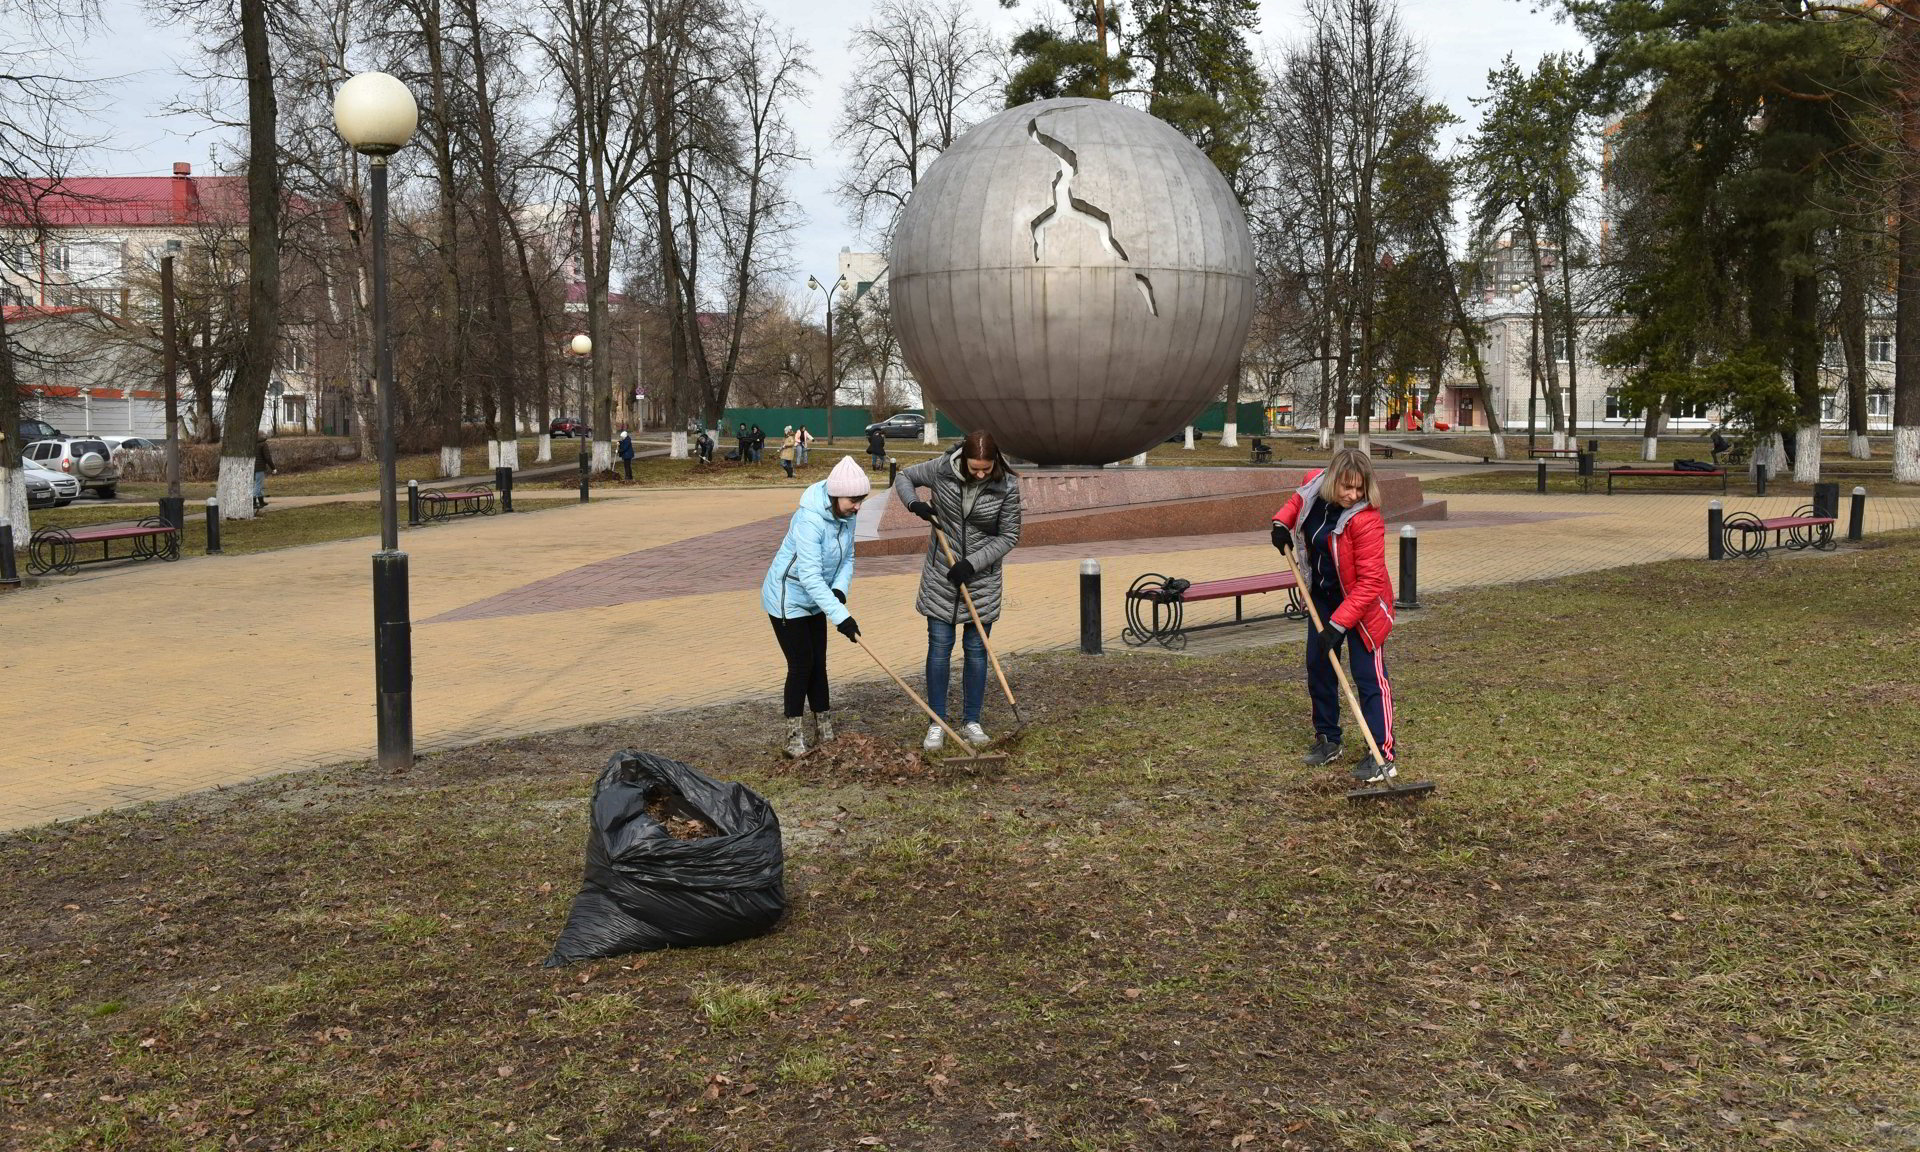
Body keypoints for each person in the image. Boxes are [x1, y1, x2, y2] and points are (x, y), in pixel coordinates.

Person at [1270, 447, 1398, 784]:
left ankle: (1382, 753)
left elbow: (1370, 583)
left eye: (1359, 488)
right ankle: (1328, 738)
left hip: (1362, 605)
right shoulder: (1315, 484)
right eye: (1346, 487)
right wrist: (1281, 524)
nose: (1353, 495)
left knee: (1368, 676)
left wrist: (1338, 625)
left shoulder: (1367, 519)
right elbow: (1297, 501)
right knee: (1319, 665)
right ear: (1332, 481)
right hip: (1323, 597)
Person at [891, 430, 1023, 751]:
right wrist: (915, 504)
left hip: (981, 580)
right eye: (974, 468)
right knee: (939, 649)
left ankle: (972, 721)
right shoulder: (942, 469)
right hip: (941, 575)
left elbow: (1009, 536)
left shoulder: (1006, 486)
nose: (980, 474)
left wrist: (972, 564)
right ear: (963, 461)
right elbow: (904, 477)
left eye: (986, 469)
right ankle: (936, 722)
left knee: (976, 651)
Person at [761, 456, 870, 757]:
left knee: (818, 663)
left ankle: (824, 728)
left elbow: (848, 557)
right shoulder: (809, 520)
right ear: (835, 496)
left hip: (818, 596)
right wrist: (842, 617)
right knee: (801, 665)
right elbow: (809, 575)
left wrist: (839, 590)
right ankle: (793, 738)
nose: (858, 507)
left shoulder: (847, 515)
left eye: (861, 500)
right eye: (853, 501)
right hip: (788, 598)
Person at [253, 437, 275, 510]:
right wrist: (273, 468)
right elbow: (267, 457)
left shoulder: (253, 444)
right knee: (258, 485)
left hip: (251, 467)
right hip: (259, 467)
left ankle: (261, 501)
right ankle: (253, 502)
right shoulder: (264, 444)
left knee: (256, 484)